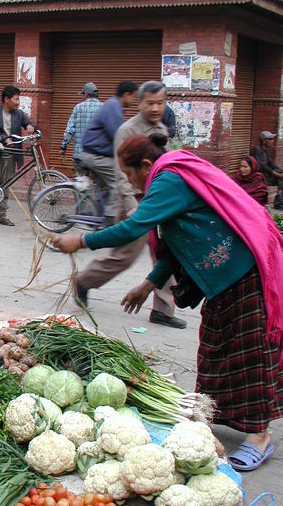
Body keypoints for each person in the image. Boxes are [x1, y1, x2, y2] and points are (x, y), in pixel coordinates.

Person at [54, 134, 283, 472]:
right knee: (215, 350)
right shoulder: (167, 179)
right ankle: (215, 417)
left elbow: (132, 228)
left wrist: (81, 240)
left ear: (145, 166)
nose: (129, 183)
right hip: (219, 278)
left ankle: (259, 436)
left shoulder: (168, 179)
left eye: (129, 175)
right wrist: (149, 285)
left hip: (241, 271)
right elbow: (175, 244)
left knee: (250, 352)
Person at [75, 80, 185, 329]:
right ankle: (84, 281)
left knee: (166, 253)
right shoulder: (127, 130)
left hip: (158, 200)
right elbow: (120, 172)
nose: (155, 108)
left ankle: (163, 310)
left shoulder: (162, 131)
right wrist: (130, 204)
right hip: (134, 200)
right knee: (124, 256)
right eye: (150, 103)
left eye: (160, 103)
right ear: (140, 103)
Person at [79, 81, 138, 223]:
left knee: (105, 189)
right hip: (96, 156)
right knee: (118, 181)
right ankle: (110, 221)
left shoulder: (114, 106)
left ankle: (100, 218)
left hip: (95, 154)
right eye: (134, 97)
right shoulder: (113, 107)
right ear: (126, 94)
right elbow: (117, 136)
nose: (134, 100)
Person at [0, 85, 35, 227]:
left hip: (11, 156)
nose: (18, 102)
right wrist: (4, 138)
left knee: (6, 185)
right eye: (16, 99)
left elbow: (27, 123)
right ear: (6, 99)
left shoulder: (19, 114)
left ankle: (3, 216)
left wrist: (30, 127)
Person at [60, 82, 101, 174]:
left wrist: (63, 147)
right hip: (97, 157)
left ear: (86, 95)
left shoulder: (78, 108)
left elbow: (69, 130)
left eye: (82, 95)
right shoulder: (104, 108)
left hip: (80, 156)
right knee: (97, 182)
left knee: (79, 181)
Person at [251, 131, 283, 209]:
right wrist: (277, 174)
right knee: (280, 177)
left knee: (281, 175)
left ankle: (279, 197)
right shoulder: (257, 150)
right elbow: (262, 166)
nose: (273, 141)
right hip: (257, 176)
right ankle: (279, 199)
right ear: (264, 141)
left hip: (266, 175)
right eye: (270, 139)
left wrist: (281, 171)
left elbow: (272, 165)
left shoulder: (265, 151)